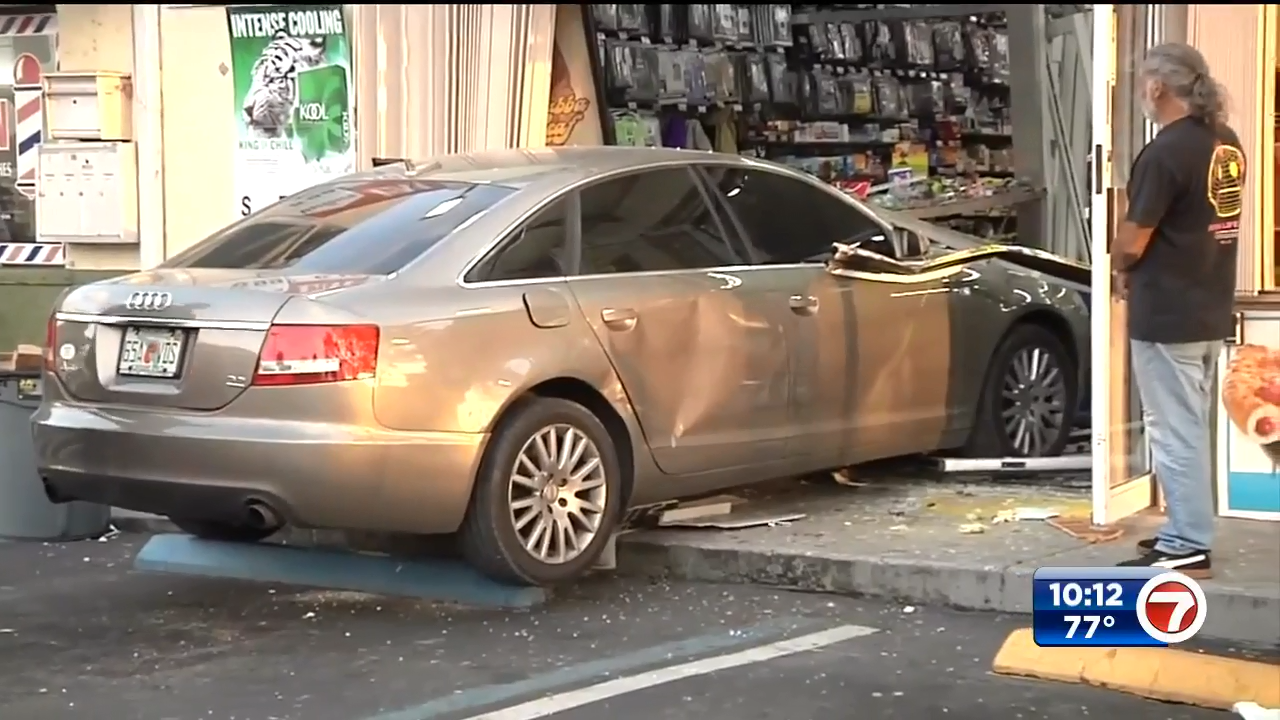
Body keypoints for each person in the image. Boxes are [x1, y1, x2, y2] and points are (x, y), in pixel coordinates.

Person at [1112, 43, 1244, 579]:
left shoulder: (1165, 152)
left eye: (1145, 82)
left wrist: (1119, 266)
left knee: (1175, 429)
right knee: (1191, 426)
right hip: (1210, 302)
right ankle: (1184, 530)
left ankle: (1189, 540)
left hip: (1167, 312)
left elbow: (1133, 239)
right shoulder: (1224, 143)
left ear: (1158, 87)